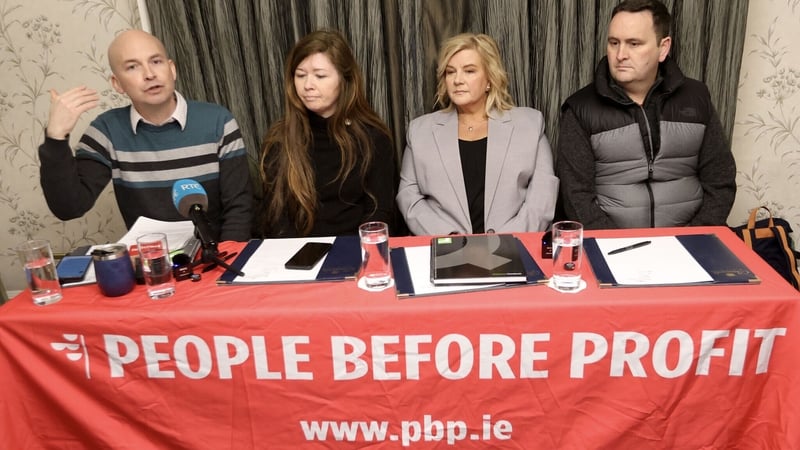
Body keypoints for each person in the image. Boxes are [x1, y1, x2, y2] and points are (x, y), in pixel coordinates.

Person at [39, 30, 253, 242]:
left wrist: (225, 265)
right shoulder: (107, 130)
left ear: (172, 69)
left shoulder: (218, 121)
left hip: (217, 259)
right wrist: (56, 138)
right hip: (153, 265)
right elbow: (69, 208)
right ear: (117, 84)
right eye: (132, 67)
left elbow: (239, 207)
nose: (149, 74)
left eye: (156, 62)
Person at [556, 0, 736, 229]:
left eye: (634, 43)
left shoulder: (696, 98)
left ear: (663, 48)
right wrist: (621, 246)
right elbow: (576, 198)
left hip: (692, 241)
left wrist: (691, 239)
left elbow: (720, 181)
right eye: (614, 43)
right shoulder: (580, 108)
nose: (620, 54)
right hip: (613, 245)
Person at [397, 33, 558, 235]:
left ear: (490, 79)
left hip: (514, 248)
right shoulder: (420, 131)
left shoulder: (530, 124)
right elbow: (408, 195)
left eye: (469, 71)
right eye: (450, 72)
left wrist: (503, 243)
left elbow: (541, 199)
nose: (457, 80)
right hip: (444, 251)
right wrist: (449, 238)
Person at [259, 30, 395, 237]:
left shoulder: (373, 138)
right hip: (297, 254)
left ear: (344, 80)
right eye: (300, 75)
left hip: (356, 250)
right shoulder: (280, 138)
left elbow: (379, 211)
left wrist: (364, 256)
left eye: (320, 76)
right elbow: (276, 216)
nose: (307, 86)